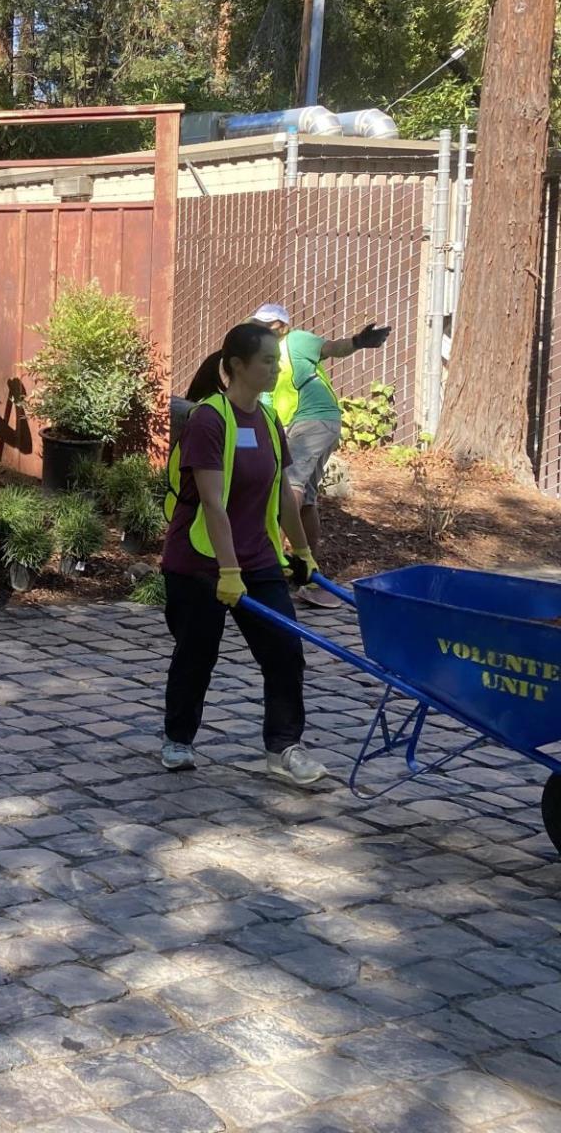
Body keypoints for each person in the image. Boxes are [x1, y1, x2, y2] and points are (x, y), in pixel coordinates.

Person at [160, 321, 326, 786]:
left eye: (277, 360)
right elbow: (213, 502)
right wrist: (226, 571)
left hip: (257, 559)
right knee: (197, 653)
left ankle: (284, 748)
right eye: (267, 361)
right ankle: (178, 738)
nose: (276, 369)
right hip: (200, 563)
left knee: (285, 652)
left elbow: (282, 495)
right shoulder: (209, 420)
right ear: (237, 366)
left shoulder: (269, 420)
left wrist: (305, 553)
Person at [249, 302, 389, 602]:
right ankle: (310, 574)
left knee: (291, 487)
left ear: (282, 326)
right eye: (260, 324)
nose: (264, 329)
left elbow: (331, 348)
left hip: (316, 418)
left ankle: (269, 562)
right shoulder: (263, 357)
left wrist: (357, 342)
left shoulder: (297, 340)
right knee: (307, 498)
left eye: (270, 325)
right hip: (295, 425)